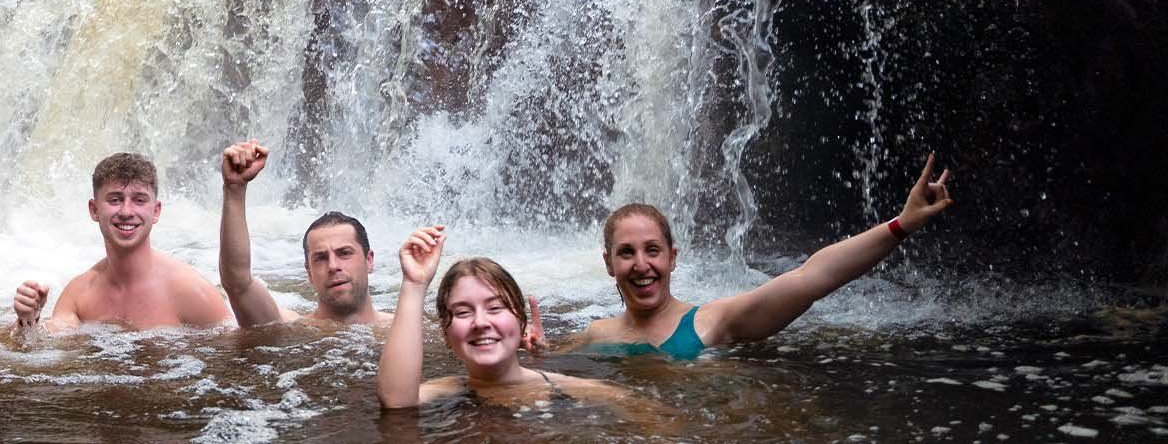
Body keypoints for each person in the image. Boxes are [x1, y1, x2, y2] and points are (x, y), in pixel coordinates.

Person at [571, 153, 956, 357]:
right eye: (627, 253)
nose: (641, 265)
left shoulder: (713, 323)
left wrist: (901, 224)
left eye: (652, 250)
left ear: (672, 257)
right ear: (609, 264)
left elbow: (812, 278)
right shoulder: (595, 335)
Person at [377, 226, 640, 416]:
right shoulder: (444, 390)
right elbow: (396, 401)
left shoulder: (583, 392)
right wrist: (414, 283)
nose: (480, 322)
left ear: (522, 323)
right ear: (445, 335)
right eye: (463, 312)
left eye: (495, 308)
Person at [11, 152, 232, 336]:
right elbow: (45, 350)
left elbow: (237, 356)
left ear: (156, 212)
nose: (126, 212)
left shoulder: (191, 291)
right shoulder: (79, 295)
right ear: (94, 210)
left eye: (139, 200)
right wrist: (28, 320)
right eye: (115, 199)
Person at [215, 139, 387, 328]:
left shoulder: (407, 329)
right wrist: (234, 188)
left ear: (369, 260)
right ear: (309, 273)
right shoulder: (292, 328)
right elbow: (238, 283)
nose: (333, 266)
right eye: (320, 258)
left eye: (344, 253)